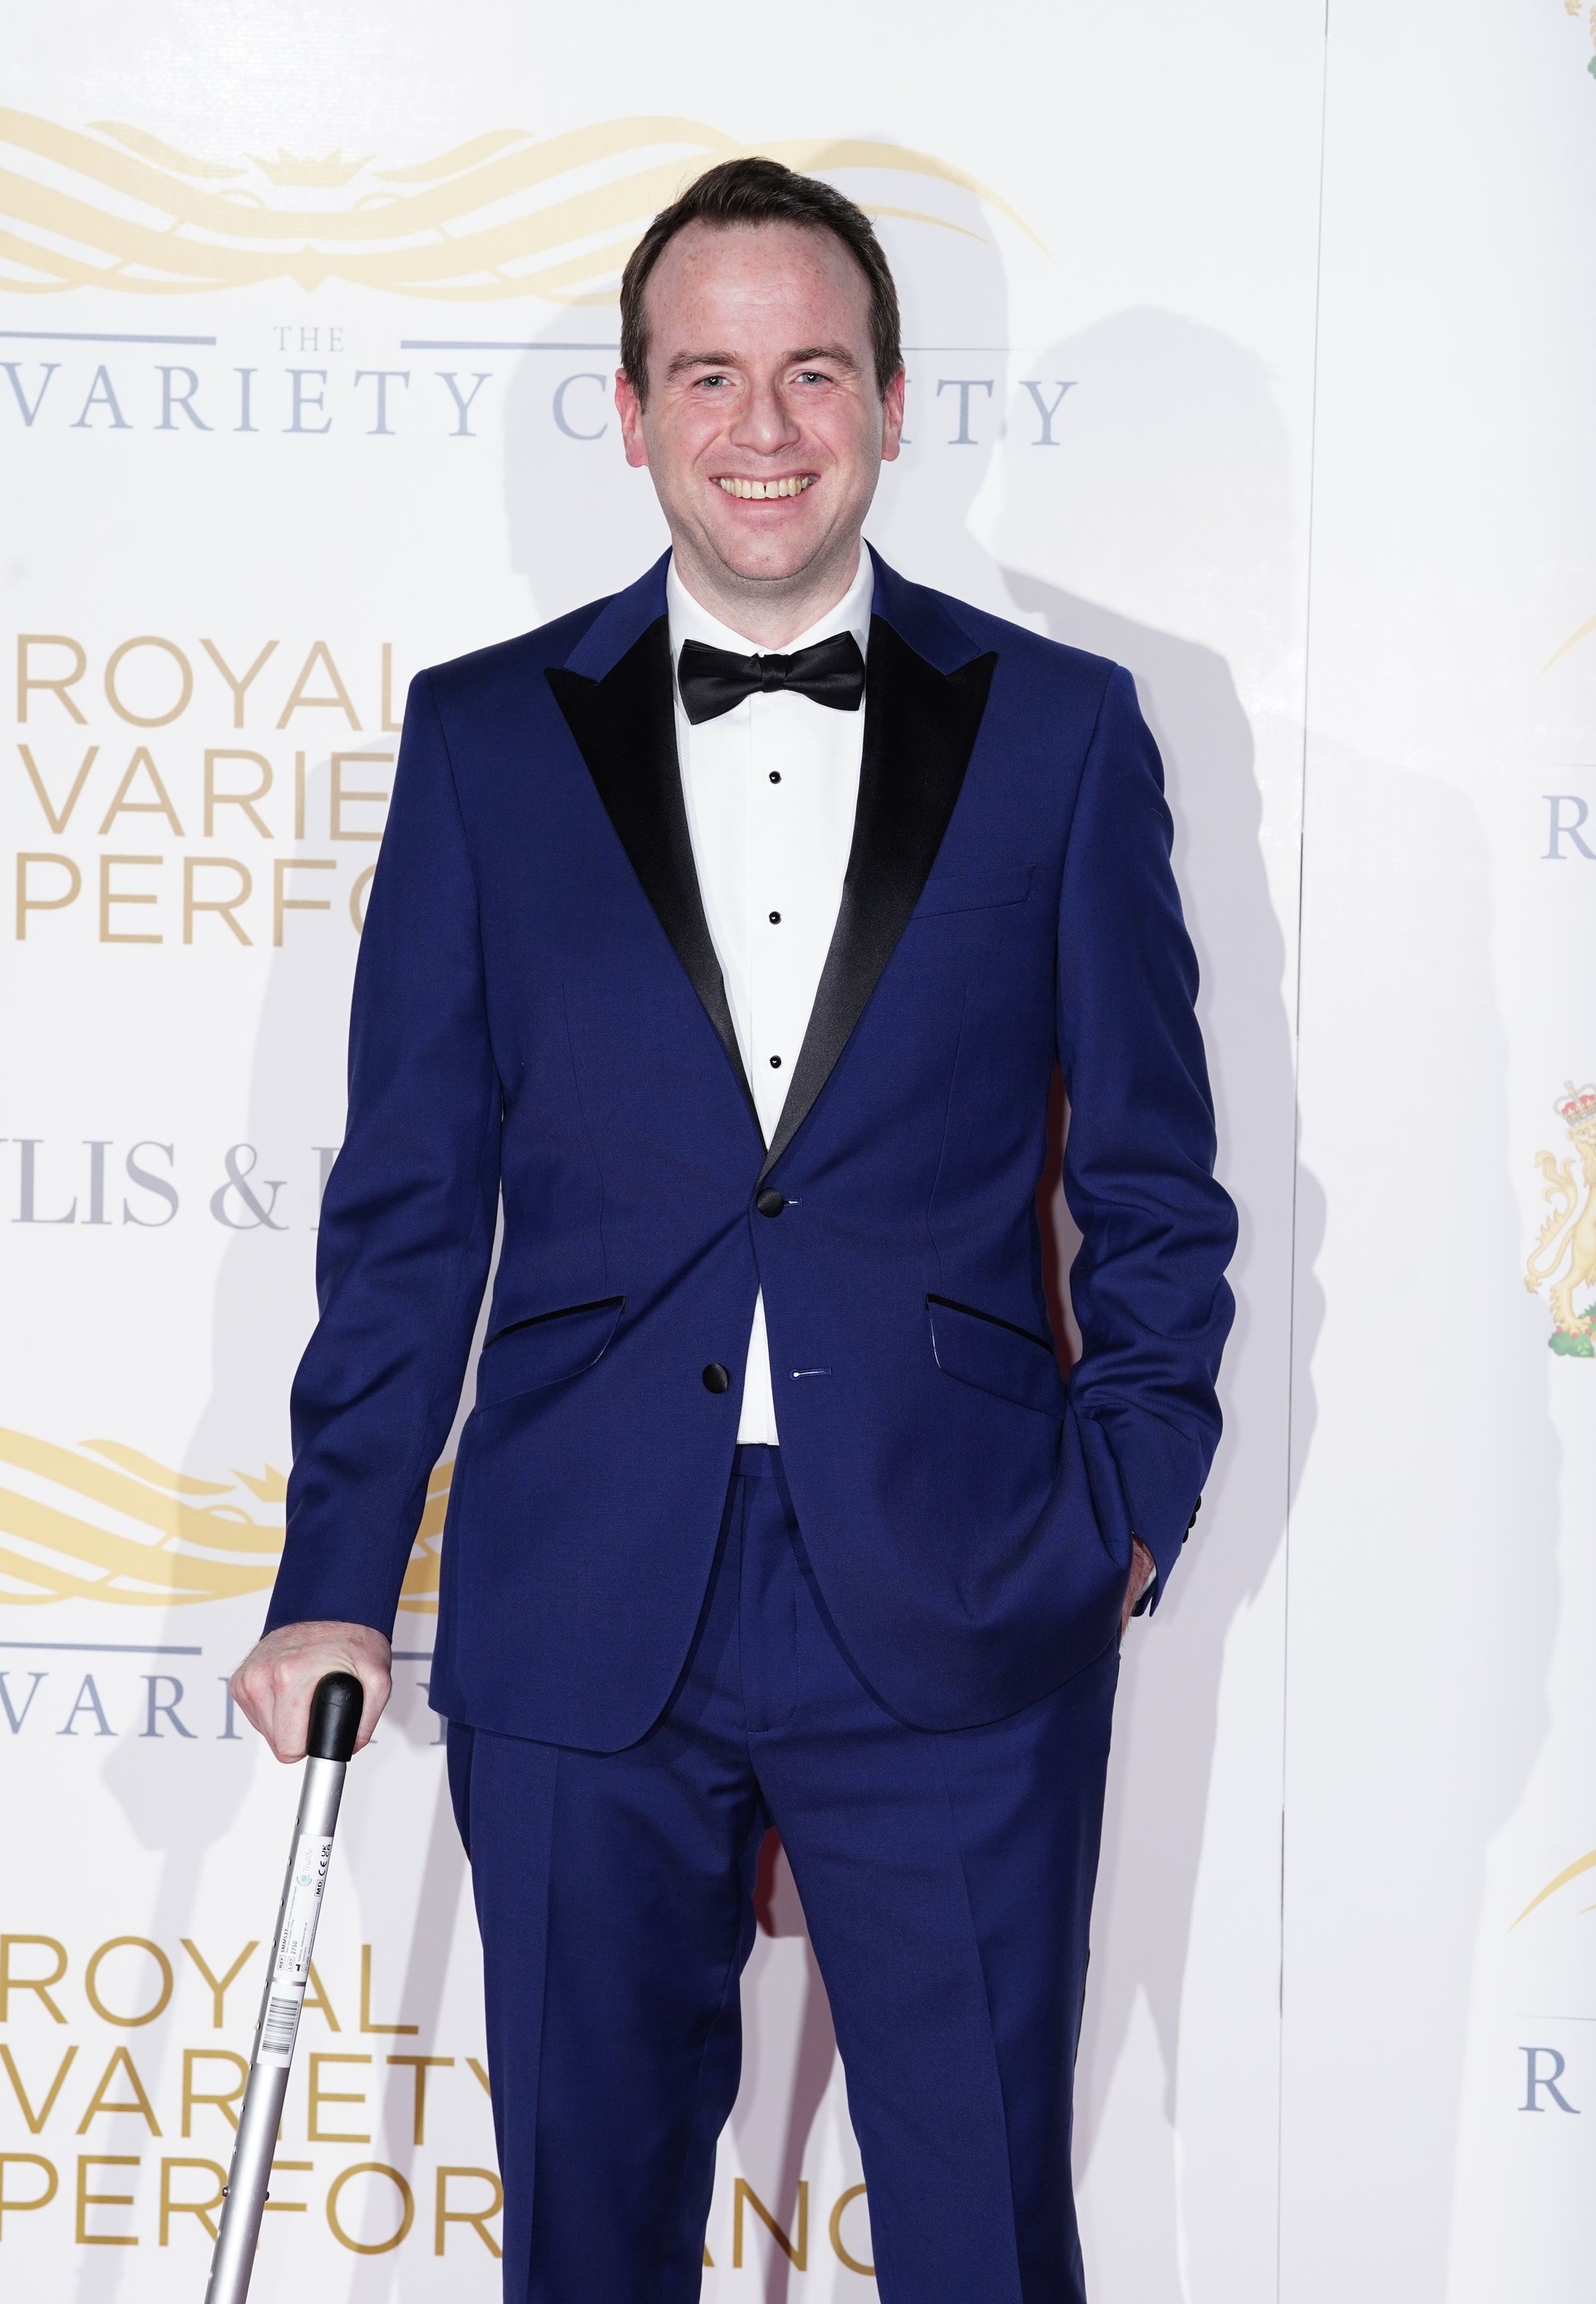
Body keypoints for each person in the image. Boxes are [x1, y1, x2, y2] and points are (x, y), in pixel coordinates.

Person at [232, 155, 1237, 2304]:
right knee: (586, 2236)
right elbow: (411, 1198)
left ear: (889, 402)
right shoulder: (484, 739)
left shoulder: (1060, 735)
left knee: (979, 2238)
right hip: (587, 1596)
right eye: (710, 373)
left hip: (963, 1585)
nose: (761, 426)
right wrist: (333, 1576)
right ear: (628, 409)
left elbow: (1155, 1173)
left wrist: (1128, 1502)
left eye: (811, 372)